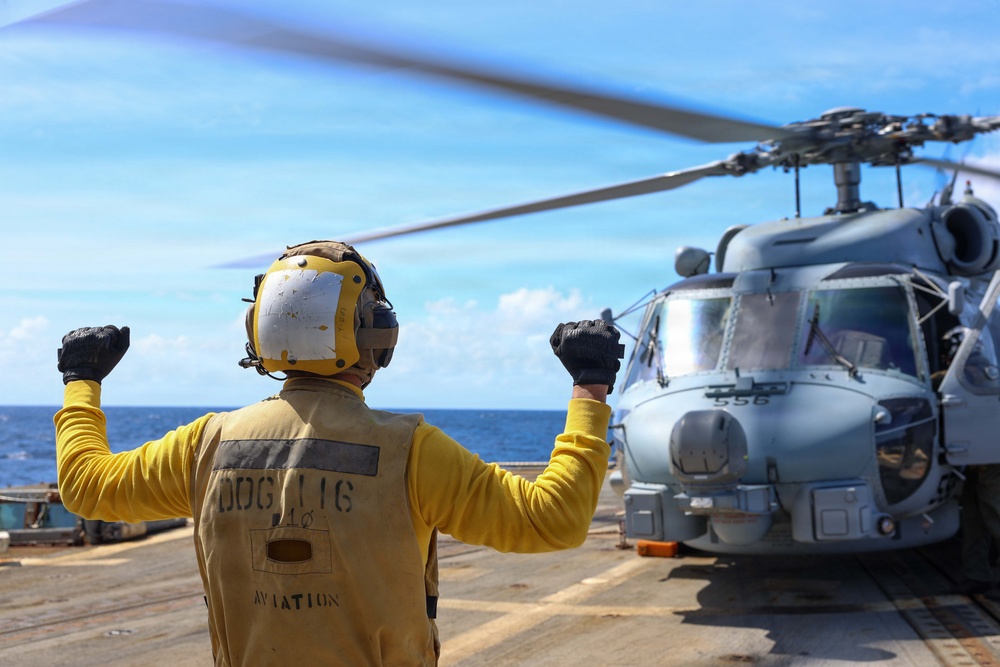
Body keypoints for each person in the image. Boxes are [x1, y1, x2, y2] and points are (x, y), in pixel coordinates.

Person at [53, 240, 624, 666]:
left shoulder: (206, 444)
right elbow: (555, 518)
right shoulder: (411, 450)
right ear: (374, 333)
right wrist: (589, 385)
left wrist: (82, 380)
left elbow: (86, 486)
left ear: (260, 332)